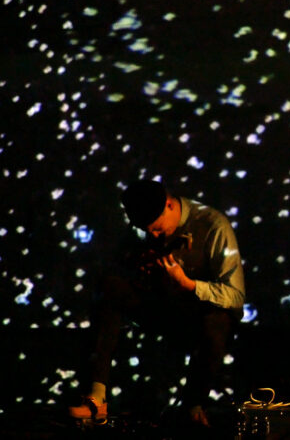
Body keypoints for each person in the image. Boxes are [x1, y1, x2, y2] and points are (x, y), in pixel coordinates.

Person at [69, 179, 246, 427]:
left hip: (197, 316)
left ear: (171, 206)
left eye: (158, 230)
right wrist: (139, 266)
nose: (153, 236)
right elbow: (122, 264)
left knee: (218, 320)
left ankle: (193, 405)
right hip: (160, 307)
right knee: (110, 287)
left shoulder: (214, 225)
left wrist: (189, 285)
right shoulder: (142, 231)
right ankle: (96, 397)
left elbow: (236, 296)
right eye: (147, 231)